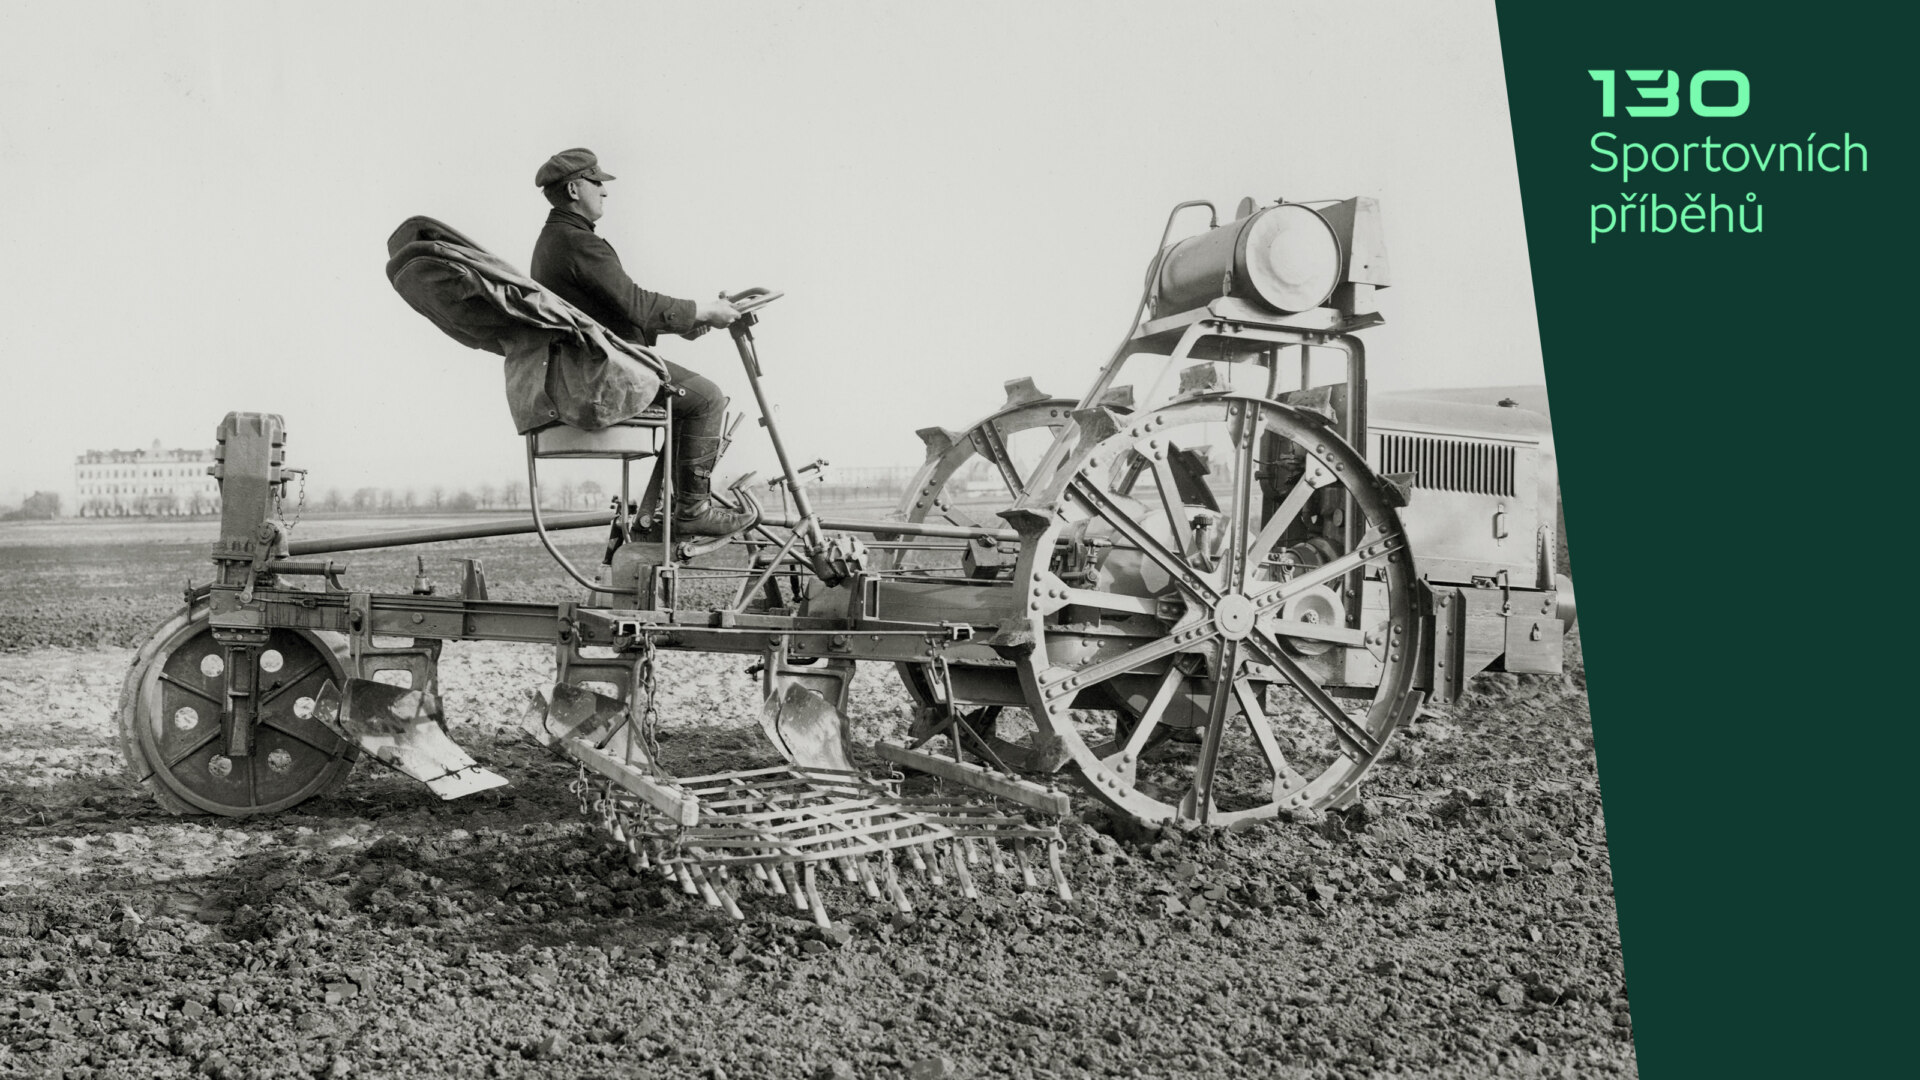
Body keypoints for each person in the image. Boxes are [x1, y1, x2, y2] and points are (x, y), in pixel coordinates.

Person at [529, 147, 754, 537]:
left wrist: (685, 323)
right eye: (597, 182)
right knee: (707, 399)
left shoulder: (558, 240)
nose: (604, 191)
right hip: (598, 375)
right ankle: (692, 508)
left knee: (695, 397)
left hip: (585, 369)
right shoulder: (576, 242)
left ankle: (680, 505)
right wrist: (702, 310)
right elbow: (635, 303)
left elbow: (612, 313)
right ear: (573, 189)